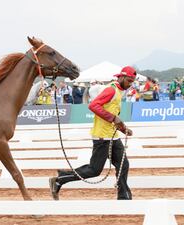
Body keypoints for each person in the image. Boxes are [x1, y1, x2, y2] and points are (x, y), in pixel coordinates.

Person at [49, 66, 135, 201]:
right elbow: (93, 106)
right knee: (94, 170)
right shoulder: (111, 90)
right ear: (122, 77)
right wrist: (114, 118)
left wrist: (123, 128)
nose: (130, 84)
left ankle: (124, 197)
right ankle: (61, 179)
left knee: (123, 164)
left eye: (132, 82)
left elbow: (112, 113)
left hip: (111, 135)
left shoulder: (118, 91)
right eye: (129, 81)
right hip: (102, 137)